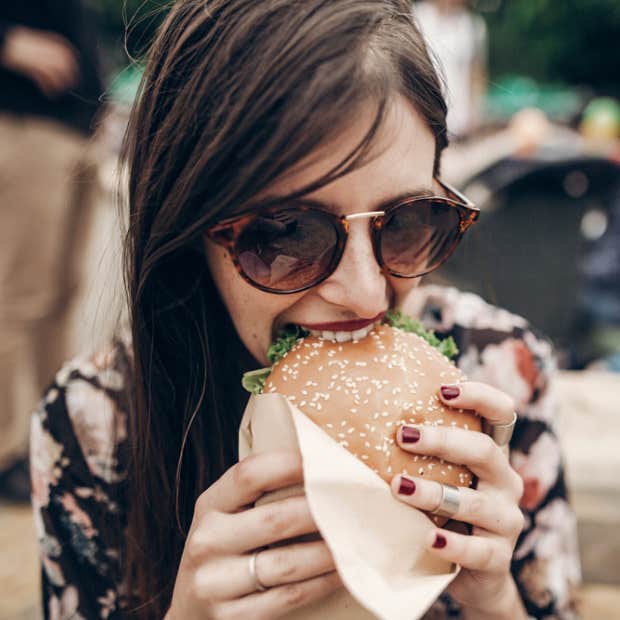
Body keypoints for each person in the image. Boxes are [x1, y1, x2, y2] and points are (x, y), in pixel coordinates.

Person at [29, 1, 580, 618]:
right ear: (187, 229)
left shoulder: (504, 369)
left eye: (405, 222)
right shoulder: (95, 426)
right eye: (288, 233)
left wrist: (495, 602)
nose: (366, 294)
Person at [0, 1, 103, 501]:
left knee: (59, 298)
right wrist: (8, 41)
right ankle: (4, 453)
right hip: (23, 128)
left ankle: (49, 442)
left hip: (71, 134)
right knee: (18, 299)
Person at [413, 0, 487, 139]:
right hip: (426, 120)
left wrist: (475, 113)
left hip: (460, 125)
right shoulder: (416, 18)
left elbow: (476, 73)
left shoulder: (473, 25)